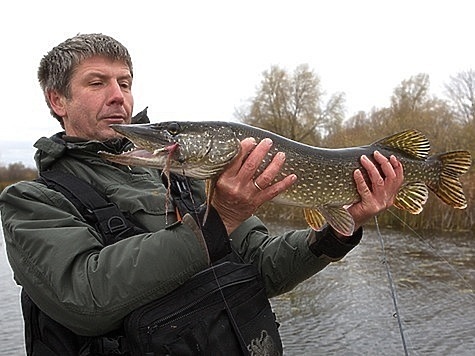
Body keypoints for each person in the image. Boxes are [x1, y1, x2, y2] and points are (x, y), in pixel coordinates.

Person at [0, 33, 404, 355]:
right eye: (97, 83)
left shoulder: (191, 180)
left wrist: (335, 234)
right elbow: (85, 299)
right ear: (58, 101)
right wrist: (219, 220)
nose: (118, 95)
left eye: (124, 82)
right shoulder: (32, 200)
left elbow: (262, 269)